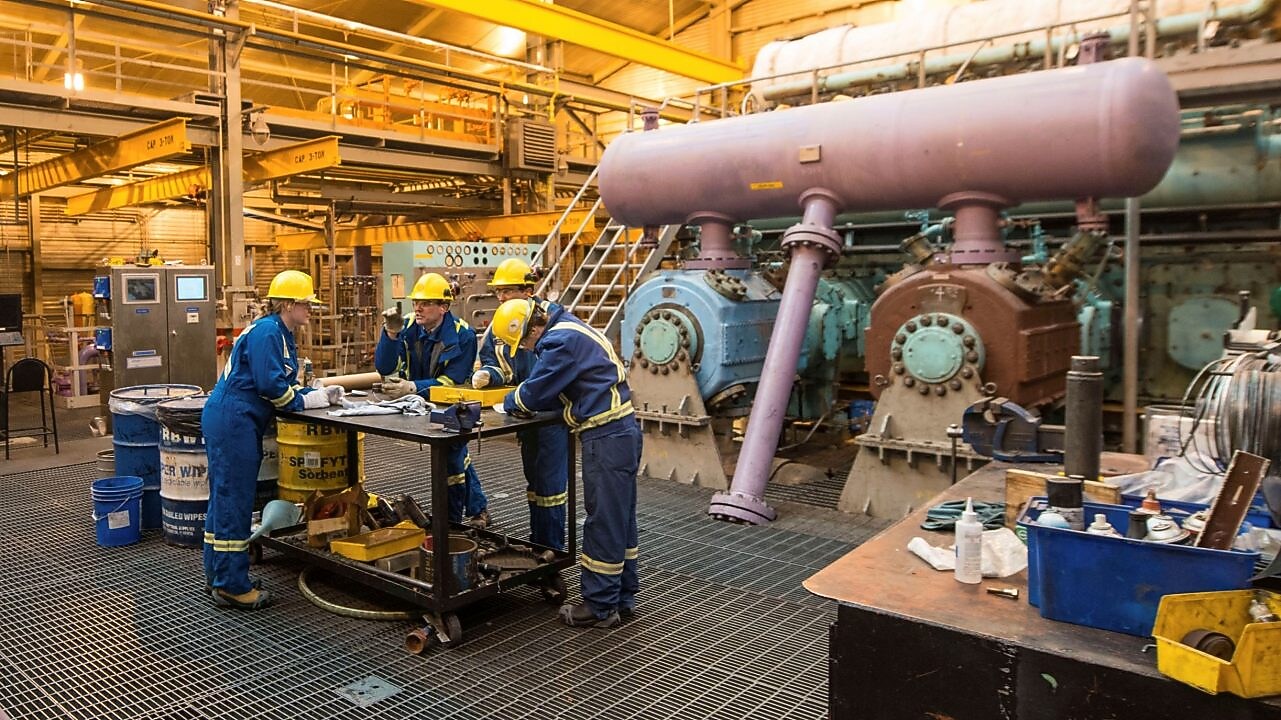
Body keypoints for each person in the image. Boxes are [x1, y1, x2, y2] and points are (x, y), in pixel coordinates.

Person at [492, 297, 641, 628]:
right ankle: (622, 597)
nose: (530, 351)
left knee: (602, 521)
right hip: (621, 432)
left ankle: (600, 606)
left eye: (526, 344)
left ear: (534, 328)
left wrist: (508, 401)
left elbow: (532, 395)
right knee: (620, 520)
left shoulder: (560, 341)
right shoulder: (573, 327)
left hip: (606, 439)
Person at [204, 270, 343, 610]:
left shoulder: (278, 331)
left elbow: (278, 380)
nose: (311, 310)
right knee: (234, 500)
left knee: (224, 499)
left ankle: (219, 574)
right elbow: (270, 387)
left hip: (234, 418)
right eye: (307, 304)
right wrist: (307, 401)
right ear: (290, 304)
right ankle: (231, 586)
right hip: (234, 419)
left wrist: (314, 392)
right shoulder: (269, 331)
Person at [376, 272, 488, 526]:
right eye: (416, 302)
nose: (418, 307)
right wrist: (390, 335)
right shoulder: (405, 326)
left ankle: (451, 522)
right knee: (456, 455)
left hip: (452, 403)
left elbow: (454, 380)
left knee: (453, 456)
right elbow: (384, 366)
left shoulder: (463, 335)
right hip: (418, 401)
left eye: (425, 303)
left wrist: (413, 387)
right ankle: (478, 508)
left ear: (444, 307)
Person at [473, 259, 569, 552]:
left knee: (550, 485)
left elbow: (552, 374)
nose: (500, 298)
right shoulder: (501, 322)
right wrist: (491, 374)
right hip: (525, 414)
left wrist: (517, 398)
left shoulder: (549, 322)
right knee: (534, 479)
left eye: (508, 291)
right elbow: (497, 360)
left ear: (529, 290)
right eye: (498, 291)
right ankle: (538, 542)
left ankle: (550, 547)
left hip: (550, 415)